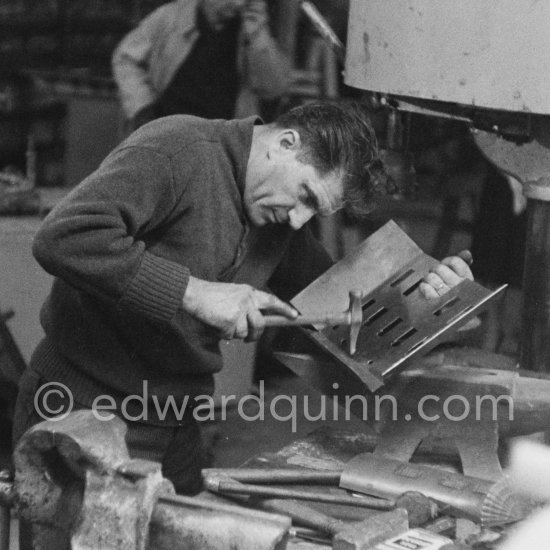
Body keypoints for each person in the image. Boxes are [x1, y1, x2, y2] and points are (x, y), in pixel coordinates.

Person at [13, 102, 473, 495]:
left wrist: (428, 297)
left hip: (175, 422)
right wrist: (193, 294)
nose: (298, 221)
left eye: (316, 210)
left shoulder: (278, 219)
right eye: (305, 195)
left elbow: (339, 308)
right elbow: (63, 236)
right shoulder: (179, 149)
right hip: (78, 407)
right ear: (285, 143)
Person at [112, 0, 290, 131]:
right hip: (166, 132)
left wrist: (257, 36)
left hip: (223, 144)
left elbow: (274, 89)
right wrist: (142, 107)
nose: (239, 4)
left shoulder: (250, 28)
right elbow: (126, 57)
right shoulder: (171, 17)